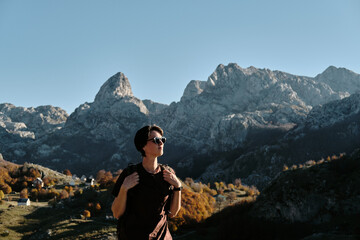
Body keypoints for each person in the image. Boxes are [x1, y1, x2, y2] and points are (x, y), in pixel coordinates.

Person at [111, 125, 182, 240]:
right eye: (156, 140)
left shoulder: (168, 173)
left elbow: (172, 213)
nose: (161, 143)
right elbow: (116, 213)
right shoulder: (129, 173)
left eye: (162, 140)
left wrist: (178, 187)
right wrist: (124, 188)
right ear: (142, 146)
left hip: (162, 237)